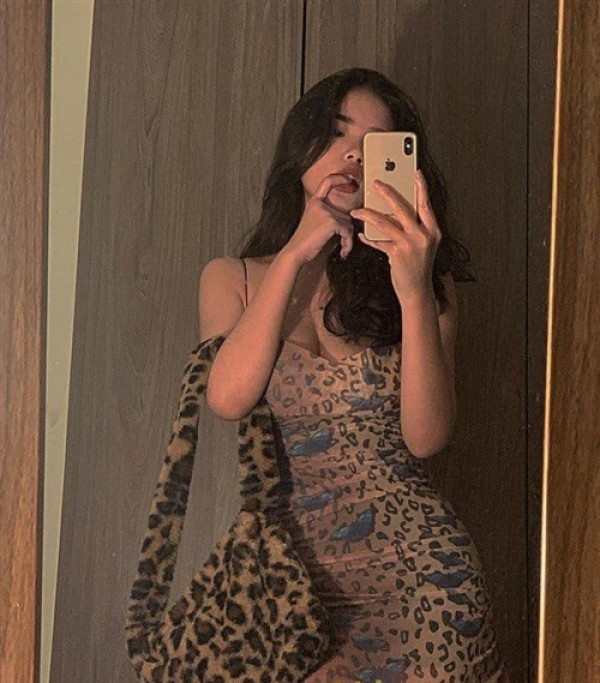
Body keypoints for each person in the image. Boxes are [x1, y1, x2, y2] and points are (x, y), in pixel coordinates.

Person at [198, 68, 509, 683]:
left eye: (374, 145)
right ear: (301, 148)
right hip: (295, 598)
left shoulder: (426, 282)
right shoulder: (232, 277)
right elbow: (227, 398)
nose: (352, 156)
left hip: (423, 585)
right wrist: (296, 252)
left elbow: (426, 437)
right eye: (338, 133)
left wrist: (414, 289)